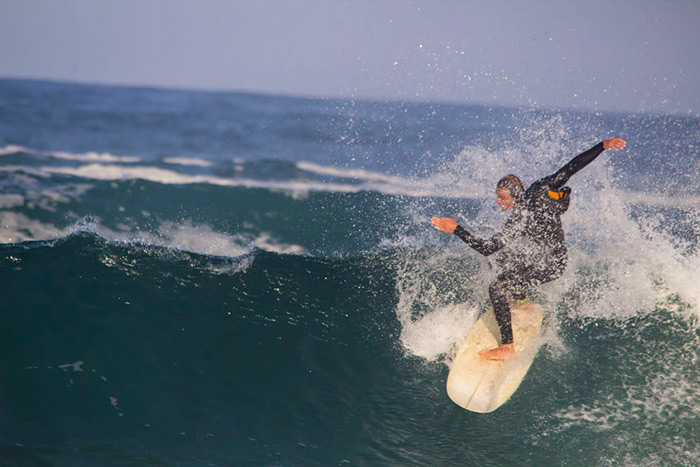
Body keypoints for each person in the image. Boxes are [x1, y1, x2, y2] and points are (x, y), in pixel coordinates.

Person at [431, 137, 627, 360]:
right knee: (499, 261)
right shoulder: (520, 215)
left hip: (553, 264)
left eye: (502, 197)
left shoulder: (537, 194)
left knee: (497, 287)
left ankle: (507, 347)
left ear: (515, 195)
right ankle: (522, 304)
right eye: (497, 197)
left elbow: (572, 167)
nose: (498, 202)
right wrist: (458, 230)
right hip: (539, 258)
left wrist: (602, 146)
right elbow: (489, 249)